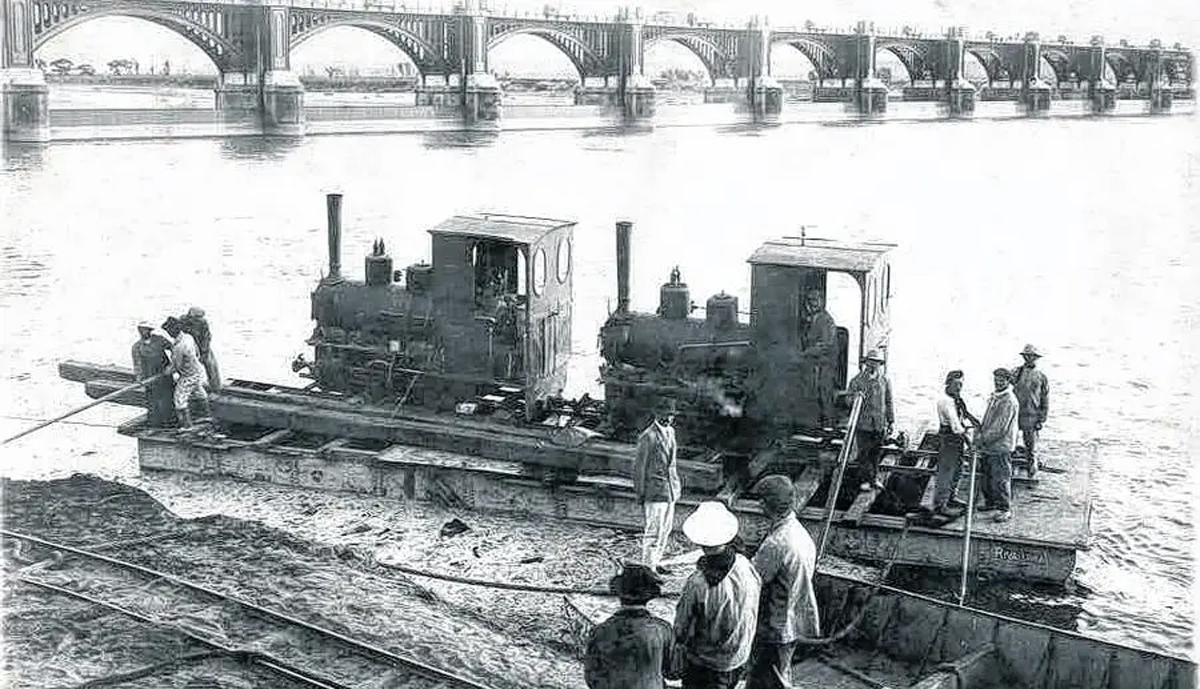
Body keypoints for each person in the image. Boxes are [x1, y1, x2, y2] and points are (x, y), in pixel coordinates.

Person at [674, 501, 760, 689]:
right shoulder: (745, 565)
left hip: (707, 663)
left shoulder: (697, 583)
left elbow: (681, 626)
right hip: (738, 655)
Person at [746, 475, 820, 689]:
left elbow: (754, 579)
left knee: (769, 678)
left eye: (761, 500)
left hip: (775, 624)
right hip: (793, 617)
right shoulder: (800, 534)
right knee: (779, 672)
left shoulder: (777, 543)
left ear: (768, 504)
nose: (758, 504)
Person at [584, 563, 679, 689]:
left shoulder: (600, 631)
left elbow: (592, 677)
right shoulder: (662, 630)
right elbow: (673, 672)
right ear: (649, 596)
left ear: (619, 593)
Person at [633, 398, 682, 574]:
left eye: (671, 415)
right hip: (654, 492)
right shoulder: (648, 437)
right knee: (653, 532)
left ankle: (656, 562)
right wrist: (640, 494)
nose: (668, 418)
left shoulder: (671, 433)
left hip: (669, 491)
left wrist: (676, 488)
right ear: (656, 414)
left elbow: (672, 463)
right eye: (665, 414)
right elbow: (639, 468)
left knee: (665, 530)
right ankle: (648, 568)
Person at [846, 349, 894, 491]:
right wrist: (855, 397)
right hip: (863, 424)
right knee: (864, 453)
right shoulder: (857, 381)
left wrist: (891, 421)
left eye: (877, 363)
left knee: (876, 452)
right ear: (866, 363)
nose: (873, 365)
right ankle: (864, 480)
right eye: (871, 362)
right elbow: (848, 400)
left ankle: (874, 479)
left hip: (879, 424)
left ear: (880, 365)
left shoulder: (885, 380)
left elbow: (889, 401)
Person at [932, 370, 978, 515]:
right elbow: (956, 426)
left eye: (961, 384)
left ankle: (952, 497)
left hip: (956, 439)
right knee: (946, 472)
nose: (959, 387)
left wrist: (977, 423)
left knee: (957, 469)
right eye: (956, 384)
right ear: (948, 383)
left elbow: (965, 414)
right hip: (948, 438)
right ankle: (940, 505)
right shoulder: (945, 401)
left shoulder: (956, 398)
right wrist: (970, 443)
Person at [977, 368, 1020, 522]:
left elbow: (1000, 428)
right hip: (989, 446)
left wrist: (981, 440)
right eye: (996, 379)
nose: (998, 382)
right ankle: (990, 502)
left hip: (1001, 446)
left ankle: (1004, 508)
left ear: (1008, 381)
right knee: (987, 476)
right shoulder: (996, 396)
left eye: (1002, 379)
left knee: (1001, 478)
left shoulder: (1009, 400)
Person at [162, 316, 211, 430]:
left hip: (188, 375)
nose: (168, 333)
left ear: (174, 330)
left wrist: (166, 372)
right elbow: (197, 353)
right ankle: (207, 416)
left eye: (169, 331)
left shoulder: (180, 346)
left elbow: (176, 366)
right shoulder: (188, 337)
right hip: (198, 370)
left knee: (179, 399)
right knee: (199, 392)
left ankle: (187, 426)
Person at [798, 290, 838, 427]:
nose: (812, 304)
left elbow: (825, 345)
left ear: (821, 301)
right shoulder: (812, 319)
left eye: (815, 300)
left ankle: (828, 425)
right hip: (814, 363)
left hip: (825, 364)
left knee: (824, 393)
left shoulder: (826, 320)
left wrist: (805, 353)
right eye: (810, 301)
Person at [1011, 344, 1049, 478]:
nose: (1029, 359)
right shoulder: (1016, 372)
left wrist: (1041, 419)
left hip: (1032, 416)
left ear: (1036, 358)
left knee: (1031, 446)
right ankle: (1010, 469)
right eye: (1027, 356)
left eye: (1032, 357)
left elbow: (1045, 399)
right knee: (1011, 443)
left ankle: (1032, 472)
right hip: (1015, 415)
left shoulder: (1041, 377)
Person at [131, 321, 174, 427]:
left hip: (165, 375)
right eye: (141, 329)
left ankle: (171, 422)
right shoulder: (137, 347)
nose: (143, 332)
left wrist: (172, 366)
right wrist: (139, 378)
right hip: (150, 378)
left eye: (145, 329)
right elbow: (137, 364)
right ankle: (155, 424)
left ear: (150, 330)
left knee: (168, 399)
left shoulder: (159, 340)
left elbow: (174, 349)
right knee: (153, 402)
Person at [181, 307, 221, 392]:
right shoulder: (182, 321)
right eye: (197, 317)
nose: (199, 319)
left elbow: (207, 337)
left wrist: (204, 351)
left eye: (200, 317)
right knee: (186, 367)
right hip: (188, 347)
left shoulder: (203, 322)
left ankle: (215, 387)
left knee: (210, 365)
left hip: (202, 346)